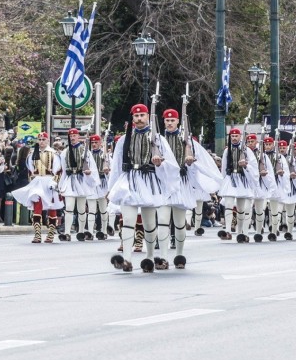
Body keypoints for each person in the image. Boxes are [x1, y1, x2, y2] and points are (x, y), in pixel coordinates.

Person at [107, 104, 179, 273]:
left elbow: (171, 163)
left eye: (142, 116)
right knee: (128, 220)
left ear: (148, 117)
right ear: (132, 118)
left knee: (148, 223)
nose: (139, 119)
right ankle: (127, 259)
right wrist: (112, 188)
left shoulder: (158, 139)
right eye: (136, 116)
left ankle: (150, 256)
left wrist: (159, 162)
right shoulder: (124, 139)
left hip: (149, 181)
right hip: (130, 180)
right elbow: (117, 165)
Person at [161, 108, 219, 268]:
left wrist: (190, 162)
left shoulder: (187, 139)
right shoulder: (159, 139)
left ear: (178, 121)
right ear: (164, 121)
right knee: (163, 221)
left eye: (173, 120)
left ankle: (179, 255)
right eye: (167, 120)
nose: (170, 122)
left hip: (181, 182)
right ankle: (163, 257)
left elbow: (199, 161)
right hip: (164, 183)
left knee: (180, 222)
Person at [11, 133, 63, 243]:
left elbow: (58, 171)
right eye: (40, 139)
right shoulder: (32, 154)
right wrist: (32, 181)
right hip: (38, 181)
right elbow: (30, 170)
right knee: (37, 207)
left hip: (49, 181)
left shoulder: (53, 154)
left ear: (48, 140)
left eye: (43, 139)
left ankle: (50, 234)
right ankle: (37, 235)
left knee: (51, 207)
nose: (41, 141)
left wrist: (54, 182)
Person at [54, 128, 97, 242]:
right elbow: (63, 169)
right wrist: (61, 184)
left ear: (78, 136)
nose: (72, 138)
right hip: (69, 179)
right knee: (68, 207)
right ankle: (67, 232)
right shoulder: (65, 152)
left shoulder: (84, 150)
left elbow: (91, 166)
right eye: (70, 136)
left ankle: (81, 231)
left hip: (81, 180)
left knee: (81, 208)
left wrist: (89, 173)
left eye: (74, 136)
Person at [218, 128, 259, 243]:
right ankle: (228, 231)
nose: (234, 138)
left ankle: (242, 232)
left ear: (240, 137)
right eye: (232, 136)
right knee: (228, 204)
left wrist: (246, 166)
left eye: (236, 136)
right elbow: (224, 167)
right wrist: (223, 182)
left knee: (242, 209)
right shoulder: (227, 150)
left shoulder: (246, 150)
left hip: (243, 179)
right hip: (231, 179)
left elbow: (254, 165)